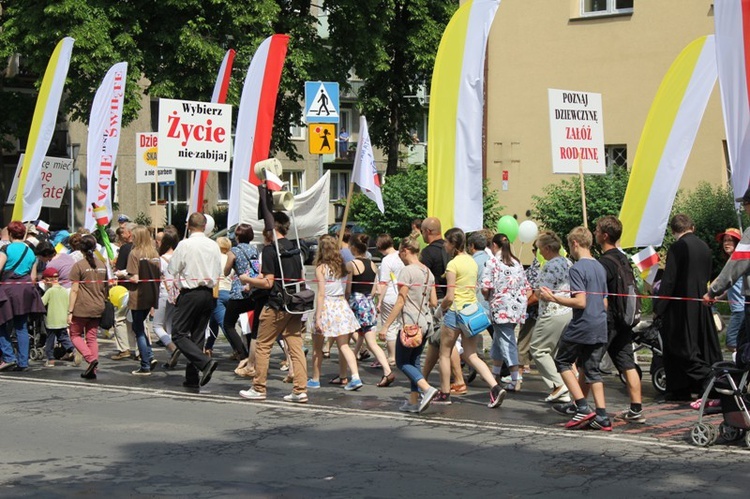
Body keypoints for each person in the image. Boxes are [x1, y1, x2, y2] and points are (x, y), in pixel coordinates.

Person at [541, 226, 610, 431]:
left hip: (583, 324)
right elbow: (604, 301)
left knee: (562, 360)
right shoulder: (600, 267)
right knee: (591, 369)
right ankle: (602, 415)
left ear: (575, 243)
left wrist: (553, 297)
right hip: (600, 322)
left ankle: (581, 406)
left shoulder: (577, 268)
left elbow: (580, 302)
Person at [238, 211, 308, 403]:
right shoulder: (295, 248)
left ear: (271, 228)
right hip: (295, 302)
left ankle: (258, 387)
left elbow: (269, 282)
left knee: (262, 345)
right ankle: (300, 389)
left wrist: (247, 279)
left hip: (276, 303)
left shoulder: (270, 250)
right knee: (296, 347)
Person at [435, 227, 506, 408]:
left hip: (455, 312)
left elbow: (450, 296)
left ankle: (444, 393)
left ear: (452, 244)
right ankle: (495, 387)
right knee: (471, 354)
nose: (444, 245)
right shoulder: (472, 261)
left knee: (444, 353)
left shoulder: (453, 264)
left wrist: (440, 309)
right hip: (471, 311)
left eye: (446, 242)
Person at [657, 214, 721, 401]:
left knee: (680, 347)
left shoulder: (678, 247)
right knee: (700, 344)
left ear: (673, 230)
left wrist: (660, 306)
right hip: (700, 302)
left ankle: (685, 386)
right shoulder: (704, 247)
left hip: (680, 306)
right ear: (692, 227)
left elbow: (669, 280)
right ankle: (693, 386)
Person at [593, 216, 645, 423]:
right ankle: (636, 409)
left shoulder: (605, 262)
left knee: (589, 362)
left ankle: (580, 405)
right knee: (627, 362)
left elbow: (598, 292)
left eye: (597, 230)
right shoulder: (624, 259)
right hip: (625, 319)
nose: (595, 233)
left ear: (605, 235)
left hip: (609, 319)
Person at [381, 236, 439, 413]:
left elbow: (400, 300)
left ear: (406, 251)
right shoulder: (428, 272)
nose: (400, 256)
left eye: (400, 253)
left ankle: (426, 388)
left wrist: (385, 326)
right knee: (413, 361)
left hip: (410, 324)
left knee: (401, 362)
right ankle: (414, 401)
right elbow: (434, 301)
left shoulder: (407, 271)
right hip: (425, 322)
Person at [168, 213, 222, 390]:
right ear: (205, 225)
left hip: (190, 292)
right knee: (198, 334)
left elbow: (173, 268)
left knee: (178, 333)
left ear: (188, 225)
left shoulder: (185, 244)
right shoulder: (213, 245)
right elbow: (217, 269)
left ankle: (204, 363)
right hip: (208, 291)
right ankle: (192, 376)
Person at [307, 234, 363, 390]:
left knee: (317, 347)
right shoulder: (342, 266)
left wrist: (317, 317)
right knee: (344, 345)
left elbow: (321, 293)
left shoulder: (321, 268)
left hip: (327, 305)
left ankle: (315, 379)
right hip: (340, 304)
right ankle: (353, 376)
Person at [481, 233, 530, 393]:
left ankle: (515, 378)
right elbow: (525, 285)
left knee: (508, 342)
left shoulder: (493, 262)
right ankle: (494, 375)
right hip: (516, 307)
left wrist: (487, 296)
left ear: (494, 246)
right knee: (498, 340)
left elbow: (485, 287)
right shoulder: (516, 262)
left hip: (500, 308)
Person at [419, 217, 464, 388]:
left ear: (428, 232)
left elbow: (424, 279)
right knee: (435, 341)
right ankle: (422, 378)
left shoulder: (428, 253)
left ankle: (459, 379)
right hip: (451, 299)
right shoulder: (450, 250)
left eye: (423, 231)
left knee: (445, 342)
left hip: (438, 301)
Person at [530, 231, 573, 403]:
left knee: (538, 349)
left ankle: (559, 385)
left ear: (547, 248)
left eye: (540, 249)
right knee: (555, 351)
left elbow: (544, 292)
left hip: (552, 312)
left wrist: (535, 291)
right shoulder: (567, 262)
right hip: (566, 311)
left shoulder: (550, 266)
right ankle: (566, 385)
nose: (540, 252)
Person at [348, 233, 395, 387]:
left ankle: (386, 371)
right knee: (364, 339)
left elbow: (348, 289)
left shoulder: (352, 265)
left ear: (353, 247)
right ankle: (349, 370)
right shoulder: (372, 264)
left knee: (348, 340)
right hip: (368, 303)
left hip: (356, 303)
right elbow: (375, 289)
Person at [0, 221, 46, 372]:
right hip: (25, 289)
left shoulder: (6, 249)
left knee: (1, 324)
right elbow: (33, 278)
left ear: (11, 234)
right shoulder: (30, 252)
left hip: (7, 289)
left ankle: (8, 357)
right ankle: (23, 362)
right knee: (22, 326)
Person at [67, 234, 108, 379]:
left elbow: (74, 290)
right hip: (98, 305)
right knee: (92, 337)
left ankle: (90, 359)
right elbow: (105, 287)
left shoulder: (79, 266)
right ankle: (93, 370)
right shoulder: (102, 265)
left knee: (75, 335)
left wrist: (70, 311)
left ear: (80, 249)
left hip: (82, 306)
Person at [125, 226, 161, 376]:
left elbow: (134, 277)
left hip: (138, 294)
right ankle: (150, 355)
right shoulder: (154, 253)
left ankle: (145, 364)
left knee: (138, 328)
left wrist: (123, 275)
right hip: (152, 293)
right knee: (143, 326)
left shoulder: (134, 253)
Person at [221, 224, 259, 362]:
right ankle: (251, 354)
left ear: (237, 236)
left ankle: (241, 352)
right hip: (253, 290)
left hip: (238, 291)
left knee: (228, 324)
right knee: (248, 323)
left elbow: (226, 271)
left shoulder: (234, 251)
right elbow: (256, 269)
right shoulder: (254, 250)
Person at [205, 236, 240, 359]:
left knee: (225, 324)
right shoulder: (231, 258)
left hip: (217, 292)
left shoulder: (214, 258)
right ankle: (208, 347)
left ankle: (239, 349)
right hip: (229, 291)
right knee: (214, 321)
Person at [712, 227, 744, 352]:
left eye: (730, 240)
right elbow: (730, 286)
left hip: (740, 309)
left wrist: (710, 293)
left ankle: (740, 367)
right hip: (739, 309)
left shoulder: (737, 259)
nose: (726, 243)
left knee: (731, 342)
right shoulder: (733, 260)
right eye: (725, 240)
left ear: (737, 243)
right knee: (740, 342)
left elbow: (722, 280)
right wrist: (718, 298)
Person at [152, 226, 180, 366]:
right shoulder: (179, 256)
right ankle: (171, 358)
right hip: (176, 294)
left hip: (164, 293)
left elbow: (155, 280)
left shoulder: (160, 259)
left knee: (156, 326)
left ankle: (172, 347)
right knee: (169, 325)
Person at [375, 233, 404, 365]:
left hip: (390, 296)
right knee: (399, 325)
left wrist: (379, 301)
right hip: (402, 294)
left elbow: (384, 283)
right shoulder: (401, 256)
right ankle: (399, 353)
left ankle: (392, 356)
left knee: (389, 326)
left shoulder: (387, 260)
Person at [40, 267, 75, 367]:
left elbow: (42, 303)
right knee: (63, 337)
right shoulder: (64, 290)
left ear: (47, 280)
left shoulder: (50, 291)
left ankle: (50, 360)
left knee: (50, 341)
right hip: (63, 319)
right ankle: (73, 350)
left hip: (52, 320)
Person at [111, 223, 136, 360]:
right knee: (138, 321)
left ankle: (123, 348)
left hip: (124, 289)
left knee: (120, 319)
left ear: (130, 233)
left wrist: (115, 267)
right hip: (140, 289)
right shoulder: (144, 248)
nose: (122, 234)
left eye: (124, 231)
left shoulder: (125, 248)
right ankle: (140, 349)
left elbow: (119, 268)